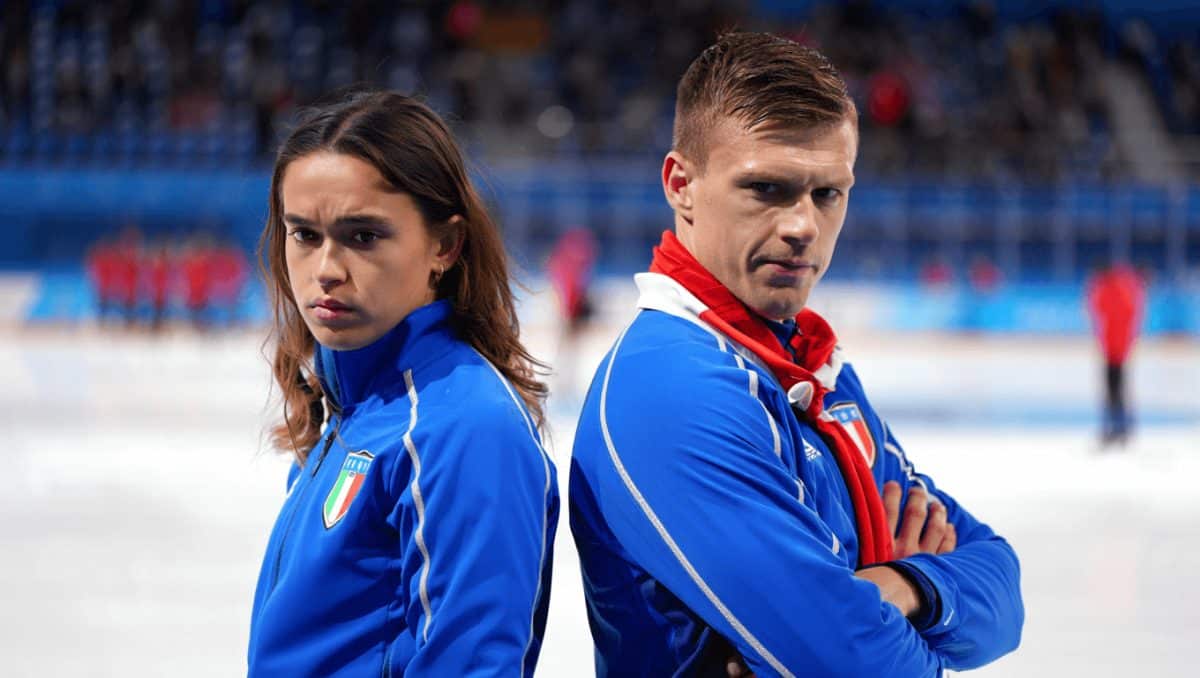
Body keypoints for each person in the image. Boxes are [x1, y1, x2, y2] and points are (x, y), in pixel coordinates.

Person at [569, 32, 1024, 676]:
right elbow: (861, 668)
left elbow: (1003, 594)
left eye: (828, 194)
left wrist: (904, 585)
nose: (802, 226)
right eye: (765, 188)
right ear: (681, 184)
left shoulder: (812, 365)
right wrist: (896, 604)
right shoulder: (669, 389)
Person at [248, 90, 558, 676]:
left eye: (363, 236)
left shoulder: (463, 428)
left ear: (444, 245)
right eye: (305, 235)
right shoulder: (356, 406)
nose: (326, 270)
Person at [1086, 259, 1146, 447]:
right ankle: (1119, 427)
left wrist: (1094, 290)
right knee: (1116, 389)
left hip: (1115, 349)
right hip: (1117, 347)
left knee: (1114, 389)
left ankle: (1118, 427)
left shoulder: (1113, 290)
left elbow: (1098, 309)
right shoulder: (1126, 288)